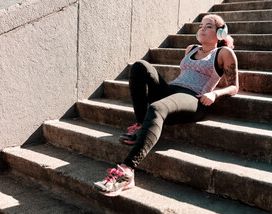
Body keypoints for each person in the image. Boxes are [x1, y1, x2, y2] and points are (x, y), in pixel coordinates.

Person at [94, 14, 239, 197]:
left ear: (220, 33)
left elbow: (234, 86)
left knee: (157, 108)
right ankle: (141, 125)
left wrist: (215, 93)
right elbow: (185, 75)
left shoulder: (223, 53)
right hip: (172, 90)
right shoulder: (190, 49)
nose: (202, 29)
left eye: (208, 26)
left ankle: (127, 171)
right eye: (201, 25)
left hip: (194, 98)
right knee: (140, 66)